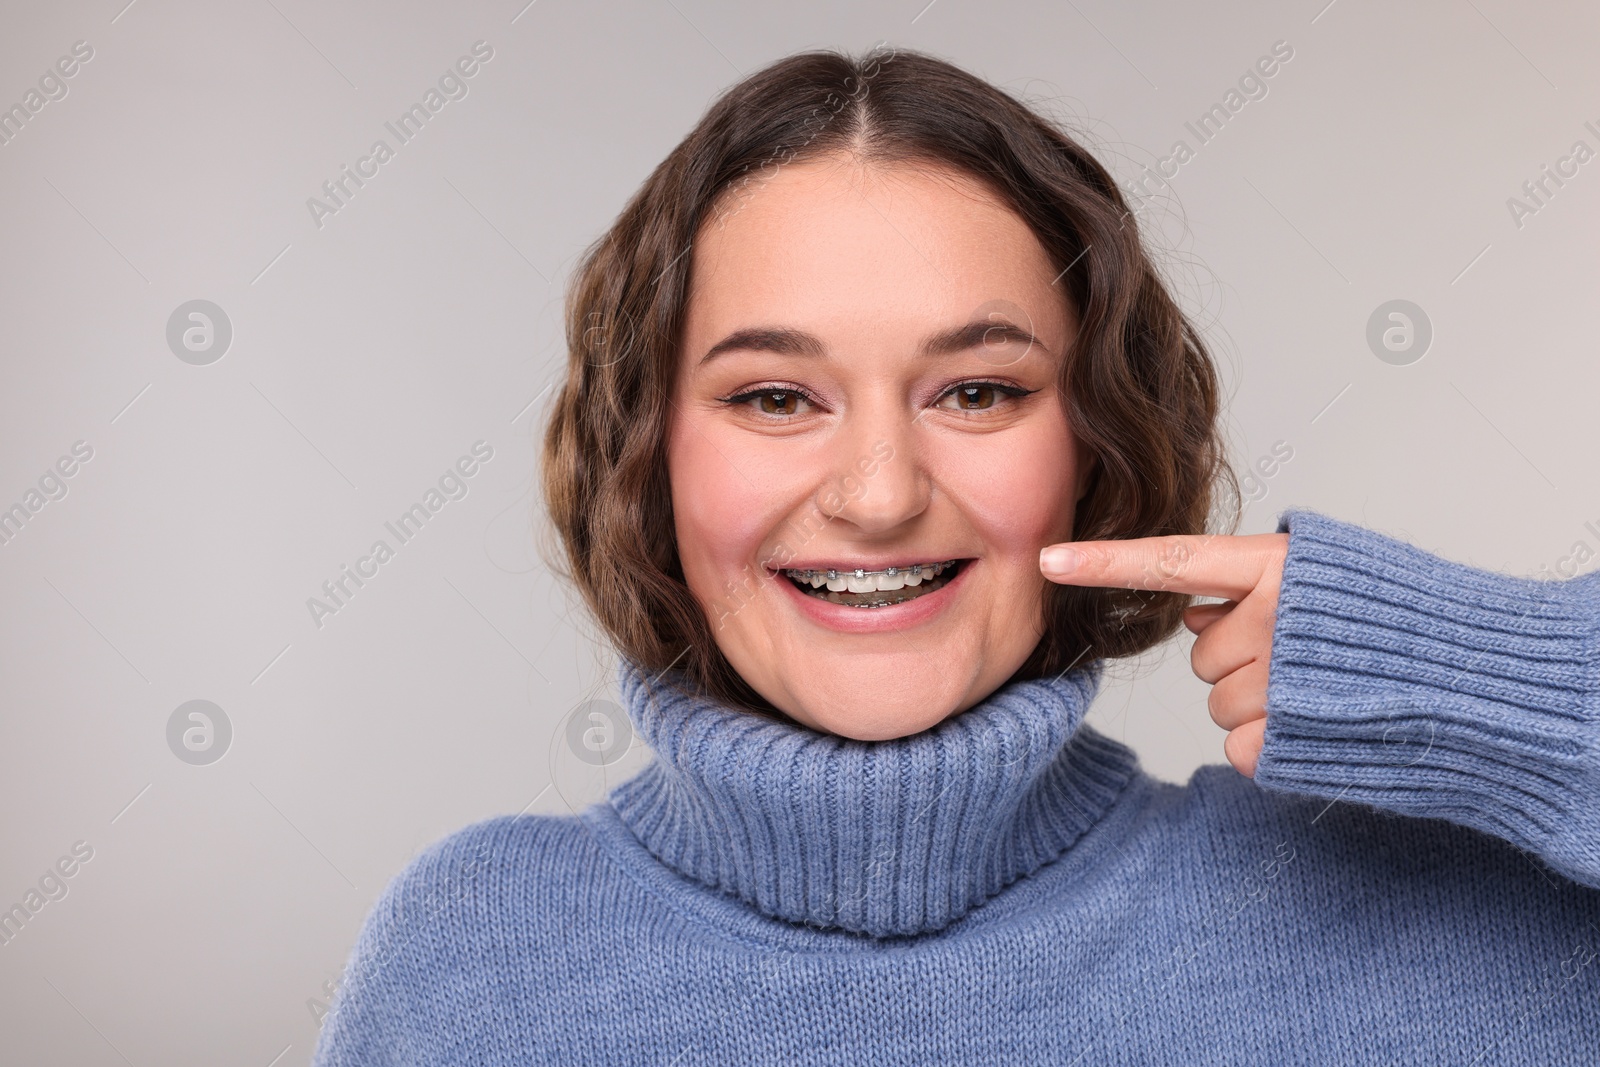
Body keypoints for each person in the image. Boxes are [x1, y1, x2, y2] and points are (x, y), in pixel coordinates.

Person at [311, 46, 1600, 1065]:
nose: (879, 497)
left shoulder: (1407, 923)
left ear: (1095, 444)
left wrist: (1497, 676)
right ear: (645, 459)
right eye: (774, 397)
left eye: (977, 392)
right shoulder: (474, 956)